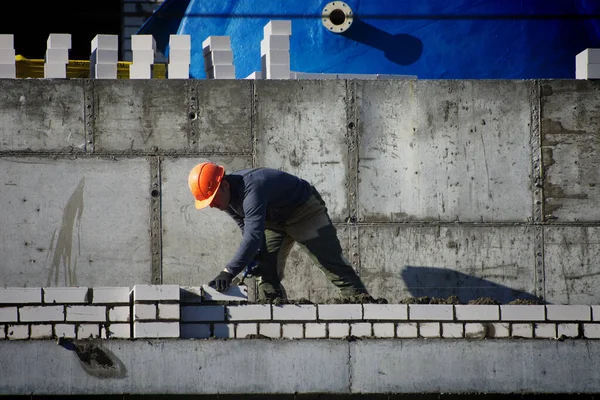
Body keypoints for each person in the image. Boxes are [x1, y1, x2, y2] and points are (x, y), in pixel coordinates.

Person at [187, 161, 371, 302]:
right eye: (208, 202)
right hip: (274, 222)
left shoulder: (252, 189)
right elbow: (245, 226)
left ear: (225, 184)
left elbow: (252, 236)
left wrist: (228, 271)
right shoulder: (225, 200)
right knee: (266, 272)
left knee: (331, 264)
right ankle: (273, 320)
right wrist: (255, 253)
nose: (212, 205)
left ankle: (362, 307)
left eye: (212, 199)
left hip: (304, 213)